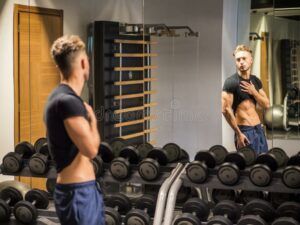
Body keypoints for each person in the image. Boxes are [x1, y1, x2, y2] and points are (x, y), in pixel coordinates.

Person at [44, 35, 104, 225]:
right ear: (84, 63)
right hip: (78, 193)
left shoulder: (60, 97)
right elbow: (91, 150)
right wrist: (93, 121)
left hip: (80, 190)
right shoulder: (67, 102)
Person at [222, 45, 270, 154]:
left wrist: (254, 92)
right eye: (238, 60)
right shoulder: (231, 82)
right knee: (249, 167)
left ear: (251, 60)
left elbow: (266, 104)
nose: (241, 62)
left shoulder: (255, 81)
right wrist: (238, 133)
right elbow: (225, 110)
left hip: (258, 129)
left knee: (263, 163)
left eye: (244, 58)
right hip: (245, 130)